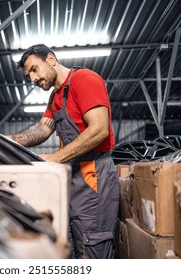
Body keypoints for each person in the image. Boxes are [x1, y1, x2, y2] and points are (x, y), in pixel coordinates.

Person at [7, 44, 119, 259]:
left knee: (92, 244)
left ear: (50, 59)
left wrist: (54, 158)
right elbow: (42, 131)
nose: (32, 79)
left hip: (93, 173)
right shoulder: (56, 97)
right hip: (73, 175)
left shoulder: (84, 80)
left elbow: (99, 130)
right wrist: (6, 140)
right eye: (28, 75)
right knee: (73, 244)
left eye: (34, 69)